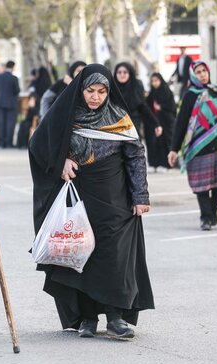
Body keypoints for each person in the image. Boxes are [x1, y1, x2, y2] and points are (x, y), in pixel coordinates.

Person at [29, 64, 155, 339]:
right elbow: (39, 143)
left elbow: (135, 156)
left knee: (115, 256)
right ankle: (87, 318)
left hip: (115, 198)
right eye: (90, 90)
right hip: (79, 197)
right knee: (80, 253)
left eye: (101, 91)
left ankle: (115, 317)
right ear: (81, 89)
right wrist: (60, 160)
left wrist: (140, 196)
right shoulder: (66, 114)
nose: (95, 97)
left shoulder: (120, 117)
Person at [168, 61, 217, 231]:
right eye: (198, 72)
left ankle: (212, 209)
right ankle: (205, 217)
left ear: (208, 72)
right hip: (199, 145)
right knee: (202, 183)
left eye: (204, 71)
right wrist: (174, 148)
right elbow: (181, 123)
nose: (202, 74)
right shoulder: (190, 95)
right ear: (194, 75)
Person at [114, 62, 162, 140]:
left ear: (130, 73)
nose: (122, 75)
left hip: (133, 126)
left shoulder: (136, 86)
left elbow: (143, 107)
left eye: (125, 72)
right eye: (119, 72)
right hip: (115, 128)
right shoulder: (112, 88)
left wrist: (156, 124)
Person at [145, 73, 177, 173]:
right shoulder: (151, 94)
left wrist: (161, 107)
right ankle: (154, 163)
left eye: (156, 80)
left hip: (166, 123)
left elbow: (172, 108)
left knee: (164, 142)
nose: (154, 83)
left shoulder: (166, 92)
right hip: (154, 123)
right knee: (153, 143)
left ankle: (166, 164)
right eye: (153, 81)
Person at [0, 60, 20, 148]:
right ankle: (9, 143)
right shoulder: (14, 78)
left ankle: (2, 143)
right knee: (10, 123)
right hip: (11, 103)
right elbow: (17, 91)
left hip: (0, 103)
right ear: (12, 66)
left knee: (2, 123)